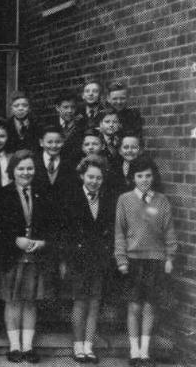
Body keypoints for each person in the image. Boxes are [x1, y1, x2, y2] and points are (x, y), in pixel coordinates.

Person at [0, 149, 60, 364]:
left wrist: (43, 242)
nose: (26, 172)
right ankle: (15, 346)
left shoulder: (44, 194)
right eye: (21, 168)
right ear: (13, 170)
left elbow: (54, 226)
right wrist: (14, 239)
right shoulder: (1, 194)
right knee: (12, 301)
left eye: (30, 168)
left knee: (30, 302)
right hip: (11, 256)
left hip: (36, 256)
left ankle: (28, 346)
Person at [115, 161, 176, 367]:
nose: (144, 180)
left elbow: (169, 232)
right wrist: (121, 259)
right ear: (133, 178)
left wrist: (169, 258)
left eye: (148, 176)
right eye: (140, 176)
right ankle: (133, 351)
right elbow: (119, 232)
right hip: (133, 260)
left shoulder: (162, 201)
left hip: (155, 260)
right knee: (134, 306)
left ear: (153, 177)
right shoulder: (124, 200)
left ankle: (144, 352)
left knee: (150, 306)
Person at [60, 155, 116, 364]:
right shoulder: (71, 199)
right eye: (90, 177)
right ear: (82, 176)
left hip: (99, 259)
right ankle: (77, 346)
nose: (94, 181)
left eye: (99, 178)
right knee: (80, 302)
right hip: (78, 259)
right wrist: (65, 259)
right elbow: (63, 233)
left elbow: (110, 231)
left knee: (95, 302)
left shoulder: (108, 200)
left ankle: (89, 346)